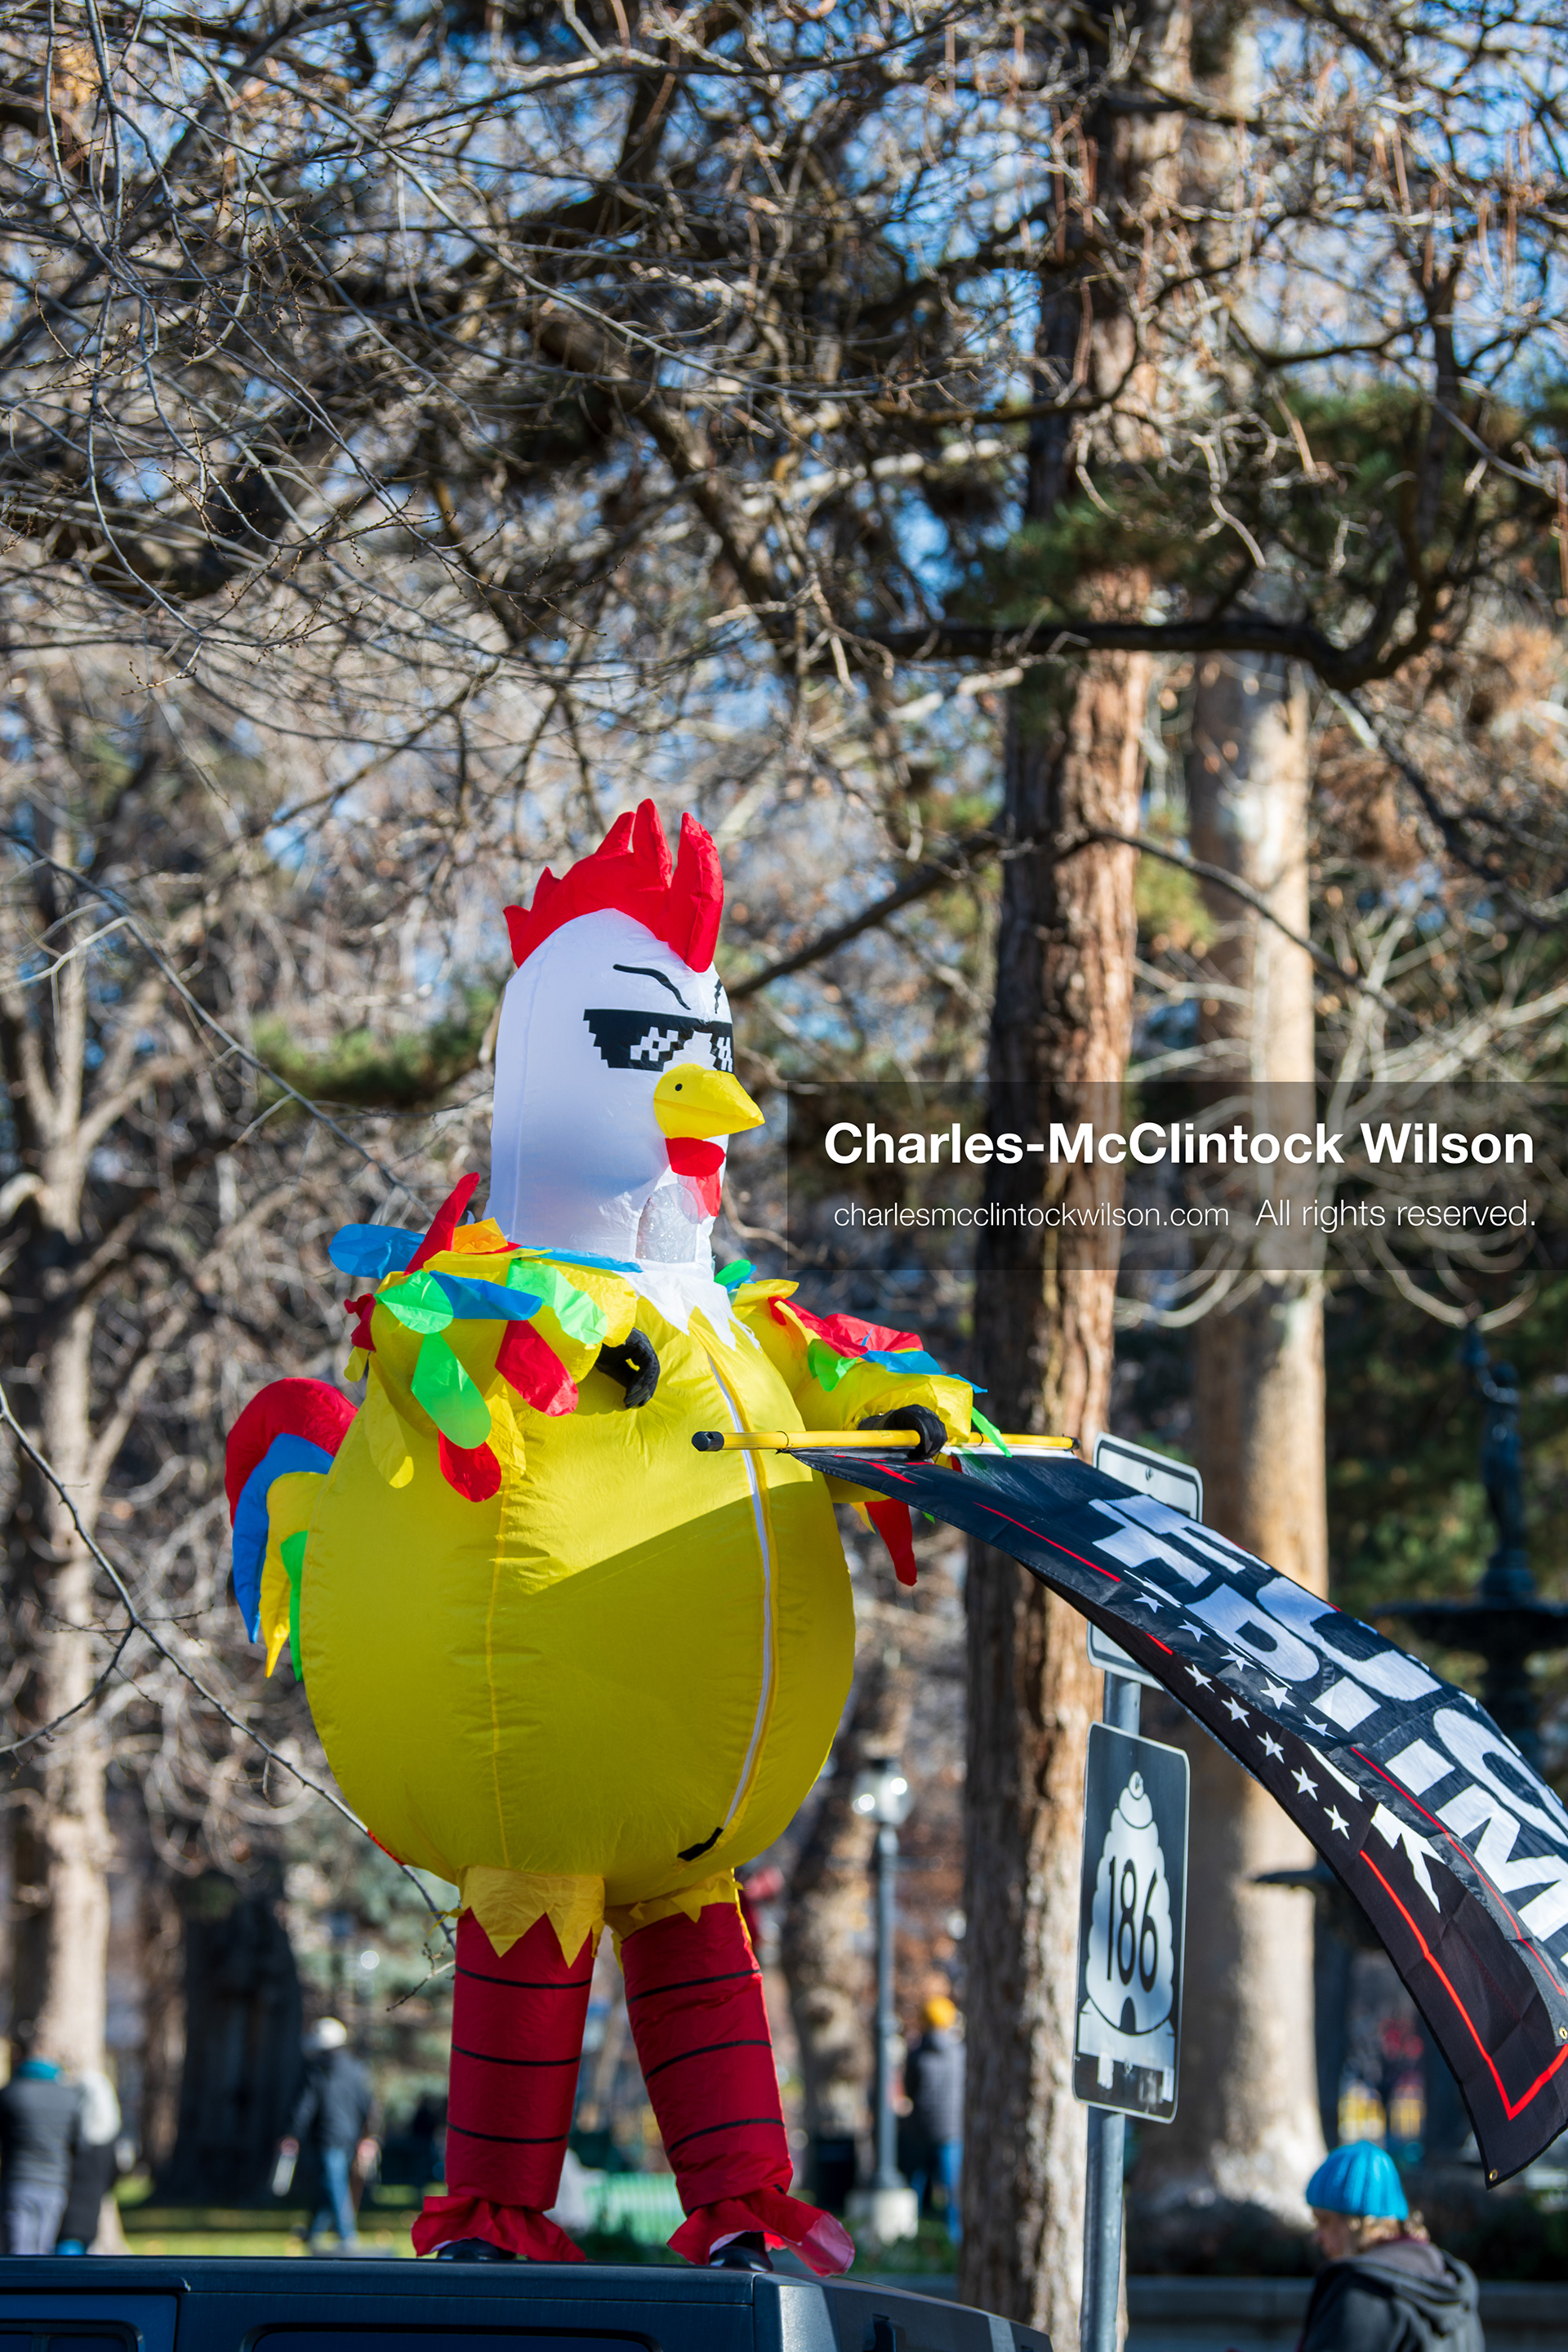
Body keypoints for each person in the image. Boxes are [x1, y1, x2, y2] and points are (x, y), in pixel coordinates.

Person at [1301, 2144, 1483, 2352]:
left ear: (1359, 2223)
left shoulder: (1361, 2293)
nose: (1317, 2237)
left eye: (1324, 2221)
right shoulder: (1454, 2289)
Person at [277, 2019, 378, 2255]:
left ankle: (347, 2234)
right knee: (328, 2183)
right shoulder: (356, 2069)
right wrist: (370, 2136)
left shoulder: (318, 2071)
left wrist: (292, 2134)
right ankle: (313, 2233)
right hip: (350, 2137)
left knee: (335, 2184)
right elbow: (369, 2106)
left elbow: (305, 2107)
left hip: (327, 2137)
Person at [0, 2033, 83, 2256]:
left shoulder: (11, 2093)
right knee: (44, 2250)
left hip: (19, 2180)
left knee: (18, 2252)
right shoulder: (71, 2096)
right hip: (56, 2182)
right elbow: (79, 2143)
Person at [903, 1995, 964, 2243]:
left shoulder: (916, 2054)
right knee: (952, 2189)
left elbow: (909, 2088)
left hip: (921, 2128)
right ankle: (954, 2237)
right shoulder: (960, 2053)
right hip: (952, 2130)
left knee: (916, 2184)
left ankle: (912, 2234)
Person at [55, 2071, 121, 2254]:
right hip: (91, 2214)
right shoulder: (109, 2140)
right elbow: (113, 2176)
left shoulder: (72, 2138)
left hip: (64, 2214)